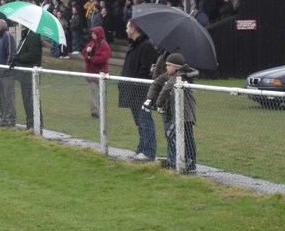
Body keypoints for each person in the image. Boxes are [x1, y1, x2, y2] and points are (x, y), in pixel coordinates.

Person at [143, 52, 198, 173]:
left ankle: (187, 162)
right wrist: (149, 99)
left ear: (176, 67)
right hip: (176, 113)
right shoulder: (170, 75)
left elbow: (166, 89)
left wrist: (158, 105)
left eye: (169, 65)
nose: (166, 67)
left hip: (185, 113)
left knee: (179, 136)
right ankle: (184, 162)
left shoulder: (181, 76)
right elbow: (156, 83)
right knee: (181, 137)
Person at [118, 19, 158, 161]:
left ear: (134, 29)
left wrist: (135, 84)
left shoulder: (146, 46)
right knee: (139, 122)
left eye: (128, 27)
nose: (126, 30)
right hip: (132, 90)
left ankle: (148, 151)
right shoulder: (135, 45)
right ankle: (141, 148)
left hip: (141, 90)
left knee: (145, 120)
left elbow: (144, 69)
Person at [12, 25, 42, 130]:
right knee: (27, 100)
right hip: (25, 74)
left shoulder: (32, 36)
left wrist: (19, 58)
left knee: (31, 100)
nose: (21, 25)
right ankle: (30, 124)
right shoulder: (26, 36)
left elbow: (33, 54)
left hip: (30, 73)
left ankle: (34, 124)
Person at [0, 18, 17, 127]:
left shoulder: (7, 36)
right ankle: (4, 117)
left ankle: (10, 118)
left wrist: (5, 68)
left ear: (0, 26)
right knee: (2, 96)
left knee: (8, 96)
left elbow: (11, 53)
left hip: (6, 74)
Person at [83, 26, 111, 118]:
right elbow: (84, 52)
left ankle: (101, 110)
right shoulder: (91, 44)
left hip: (101, 73)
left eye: (94, 33)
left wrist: (90, 58)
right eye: (92, 33)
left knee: (102, 93)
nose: (92, 35)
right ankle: (95, 111)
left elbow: (102, 59)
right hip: (92, 73)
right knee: (94, 92)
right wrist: (87, 52)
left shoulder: (105, 46)